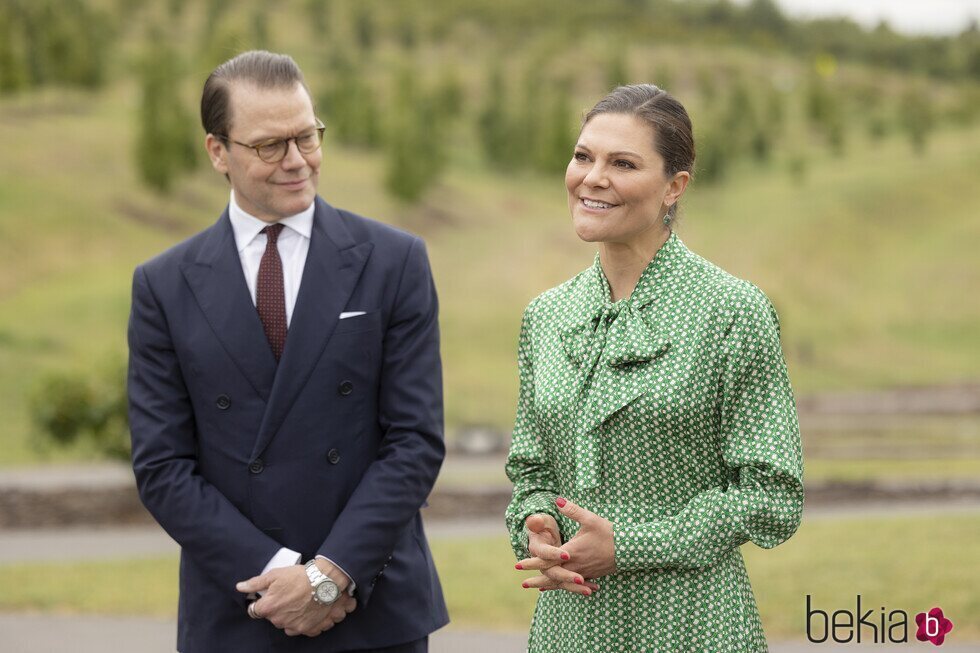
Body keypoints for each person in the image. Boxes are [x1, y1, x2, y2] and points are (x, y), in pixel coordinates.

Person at [127, 50, 448, 653]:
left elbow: (415, 439)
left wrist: (328, 576)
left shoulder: (395, 260)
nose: (297, 161)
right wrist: (277, 574)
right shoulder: (164, 285)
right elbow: (162, 466)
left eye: (307, 136)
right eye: (271, 145)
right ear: (218, 151)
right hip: (241, 607)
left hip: (371, 604)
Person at [505, 84, 804, 652]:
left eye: (623, 163)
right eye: (583, 156)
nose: (593, 177)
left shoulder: (732, 311)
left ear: (675, 186)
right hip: (568, 629)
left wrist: (631, 544)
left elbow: (773, 495)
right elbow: (530, 470)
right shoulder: (545, 317)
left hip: (692, 625)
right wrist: (537, 523)